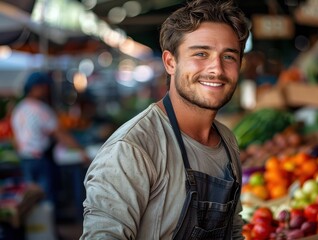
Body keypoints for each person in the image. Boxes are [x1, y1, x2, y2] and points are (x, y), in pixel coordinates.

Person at [80, 0, 250, 239]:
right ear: (170, 62)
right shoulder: (132, 149)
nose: (217, 69)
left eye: (229, 57)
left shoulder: (228, 142)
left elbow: (233, 231)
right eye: (201, 53)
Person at [11, 71, 90, 204]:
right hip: (40, 160)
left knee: (32, 200)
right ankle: (46, 224)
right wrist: (81, 150)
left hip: (25, 159)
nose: (47, 91)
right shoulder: (40, 109)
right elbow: (60, 134)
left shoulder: (19, 109)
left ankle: (39, 224)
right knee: (45, 199)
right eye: (45, 87)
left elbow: (15, 138)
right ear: (37, 87)